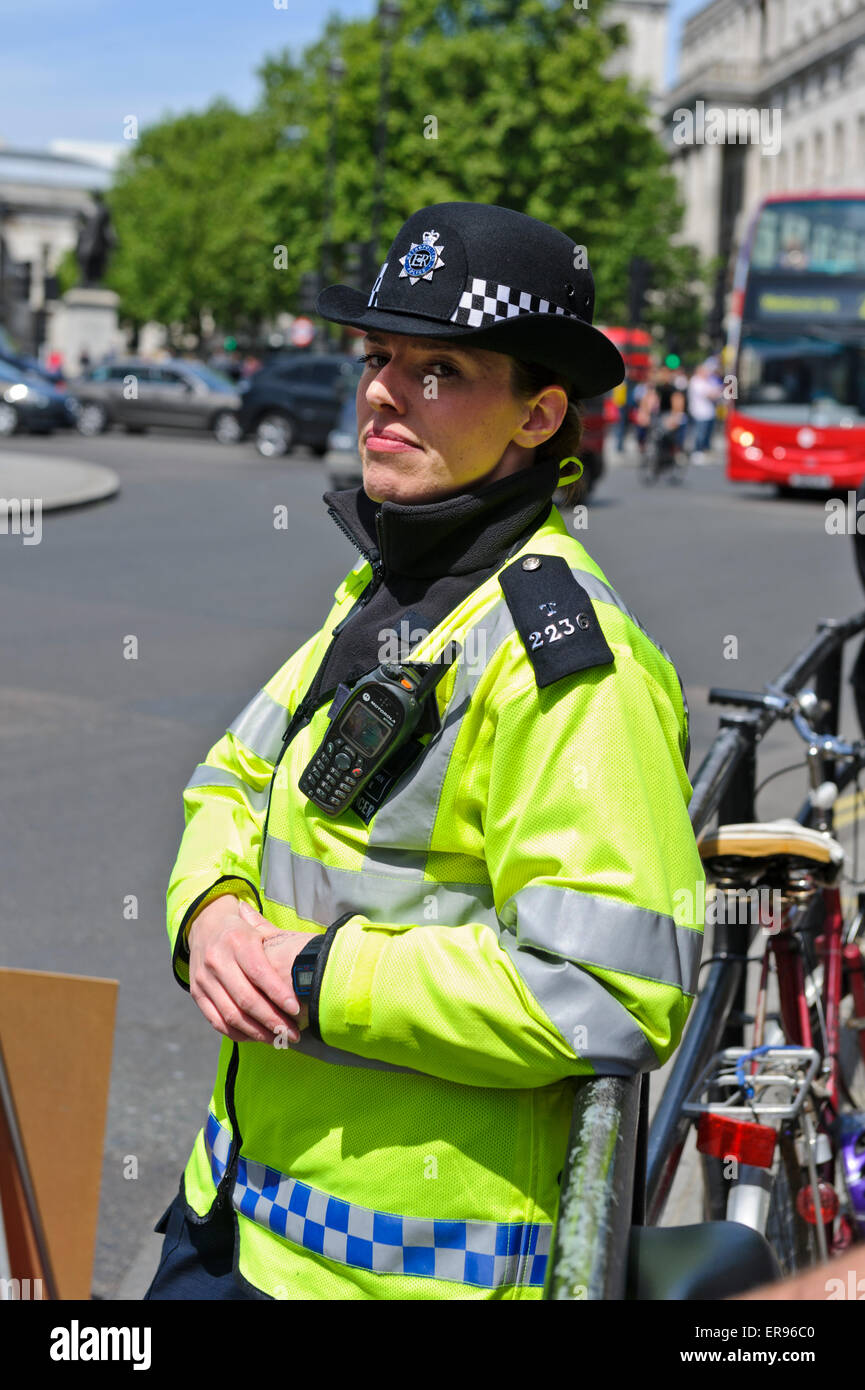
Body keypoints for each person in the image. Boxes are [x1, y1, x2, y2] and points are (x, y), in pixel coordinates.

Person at [146, 201, 705, 1301]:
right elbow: (232, 778)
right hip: (233, 1218)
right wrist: (209, 906)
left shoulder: (568, 664)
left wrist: (314, 973)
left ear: (541, 415)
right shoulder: (388, 587)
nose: (384, 393)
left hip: (398, 1276)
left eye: (440, 368)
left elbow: (610, 982)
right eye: (378, 355)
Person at [687, 361, 722, 463]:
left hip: (709, 413)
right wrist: (717, 393)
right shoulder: (696, 382)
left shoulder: (707, 381)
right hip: (700, 413)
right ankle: (697, 451)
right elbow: (710, 394)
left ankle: (705, 451)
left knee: (707, 434)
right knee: (700, 433)